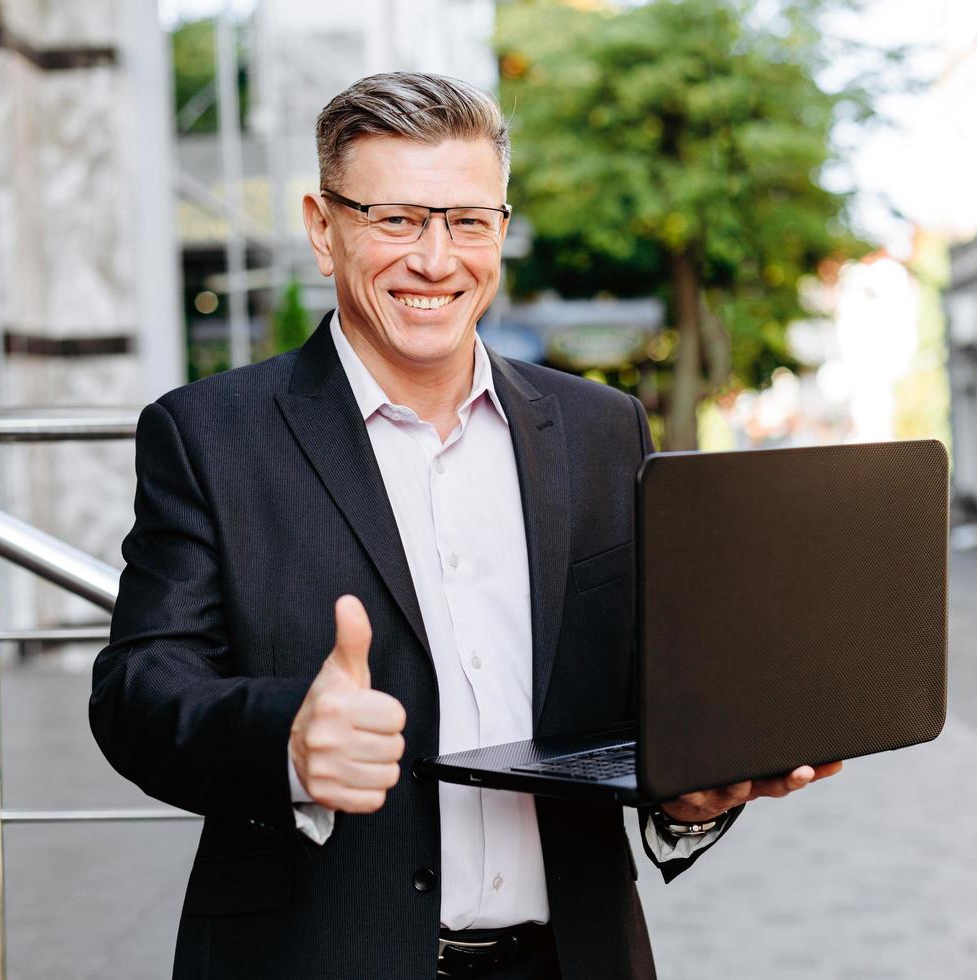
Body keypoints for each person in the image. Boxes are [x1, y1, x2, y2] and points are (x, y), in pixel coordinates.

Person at [90, 71, 841, 980]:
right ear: (323, 229)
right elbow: (138, 689)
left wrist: (695, 785)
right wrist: (284, 736)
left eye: (468, 221)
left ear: (502, 231)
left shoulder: (603, 431)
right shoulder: (208, 434)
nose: (436, 260)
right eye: (396, 219)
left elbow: (645, 694)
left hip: (571, 957)